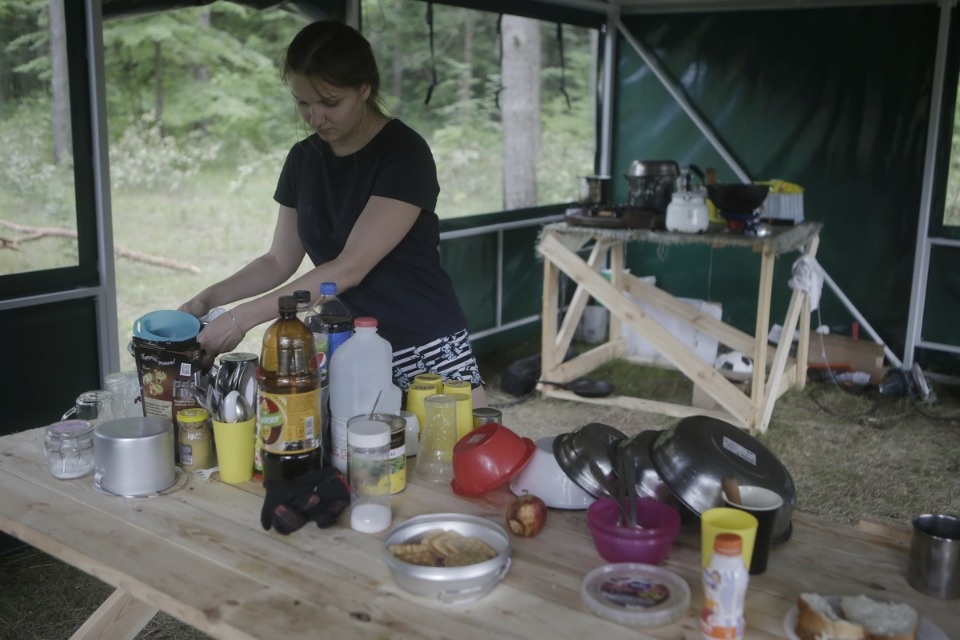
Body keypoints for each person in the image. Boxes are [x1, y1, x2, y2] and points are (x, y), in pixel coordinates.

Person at [179, 20, 486, 407]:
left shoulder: (404, 154)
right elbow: (278, 260)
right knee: (352, 462)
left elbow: (350, 266)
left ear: (364, 89)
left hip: (423, 344)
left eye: (329, 103)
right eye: (302, 102)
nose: (314, 117)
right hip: (344, 345)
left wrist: (242, 318)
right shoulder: (302, 160)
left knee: (445, 461)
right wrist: (209, 298)